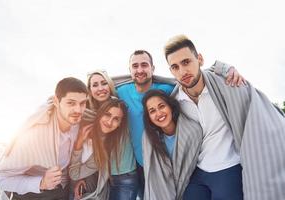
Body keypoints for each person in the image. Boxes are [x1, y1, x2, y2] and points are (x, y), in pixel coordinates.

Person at [164, 34, 285, 200]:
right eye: (175, 67)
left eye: (186, 62)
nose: (182, 71)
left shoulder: (227, 84)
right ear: (171, 71)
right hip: (197, 171)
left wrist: (226, 68)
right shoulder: (175, 100)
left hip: (229, 167)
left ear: (199, 59)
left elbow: (256, 108)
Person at [114, 50, 245, 197]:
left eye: (144, 65)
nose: (140, 70)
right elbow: (100, 89)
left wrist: (225, 68)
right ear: (129, 70)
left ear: (153, 68)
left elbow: (195, 78)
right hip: (139, 165)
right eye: (135, 66)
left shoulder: (168, 90)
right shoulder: (120, 91)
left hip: (170, 164)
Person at [0, 77, 88, 200]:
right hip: (32, 195)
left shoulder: (77, 123)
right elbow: (1, 180)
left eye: (82, 103)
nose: (78, 110)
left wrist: (77, 179)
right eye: (71, 103)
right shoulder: (34, 135)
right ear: (56, 101)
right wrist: (41, 182)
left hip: (61, 192)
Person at [69, 70, 138, 200]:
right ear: (88, 90)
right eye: (94, 85)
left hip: (124, 175)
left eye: (104, 83)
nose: (100, 88)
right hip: (104, 177)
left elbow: (134, 78)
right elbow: (88, 155)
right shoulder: (87, 114)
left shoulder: (121, 107)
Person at [142, 89, 203, 200]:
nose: (159, 113)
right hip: (160, 192)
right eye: (152, 111)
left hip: (191, 188)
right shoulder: (148, 138)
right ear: (149, 117)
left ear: (170, 106)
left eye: (161, 106)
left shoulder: (192, 131)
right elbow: (152, 176)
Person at [69, 98, 129, 200]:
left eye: (116, 119)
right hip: (65, 186)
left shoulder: (103, 151)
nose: (110, 122)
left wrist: (78, 145)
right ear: (100, 114)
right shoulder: (80, 123)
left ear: (119, 124)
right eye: (107, 114)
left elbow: (75, 174)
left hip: (84, 194)